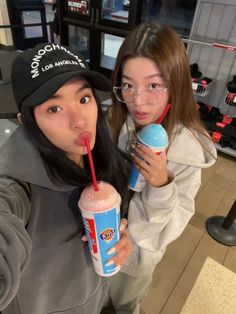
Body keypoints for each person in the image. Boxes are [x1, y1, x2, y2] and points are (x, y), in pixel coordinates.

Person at [0, 43, 132, 314]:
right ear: (26, 122)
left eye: (84, 99)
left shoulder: (104, 159)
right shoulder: (18, 188)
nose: (79, 121)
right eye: (54, 109)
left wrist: (120, 239)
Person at [106, 22, 217, 313]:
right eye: (128, 85)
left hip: (137, 257)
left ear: (176, 82)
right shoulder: (117, 120)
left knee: (126, 303)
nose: (138, 101)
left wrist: (161, 184)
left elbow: (174, 223)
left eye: (154, 85)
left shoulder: (185, 149)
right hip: (103, 237)